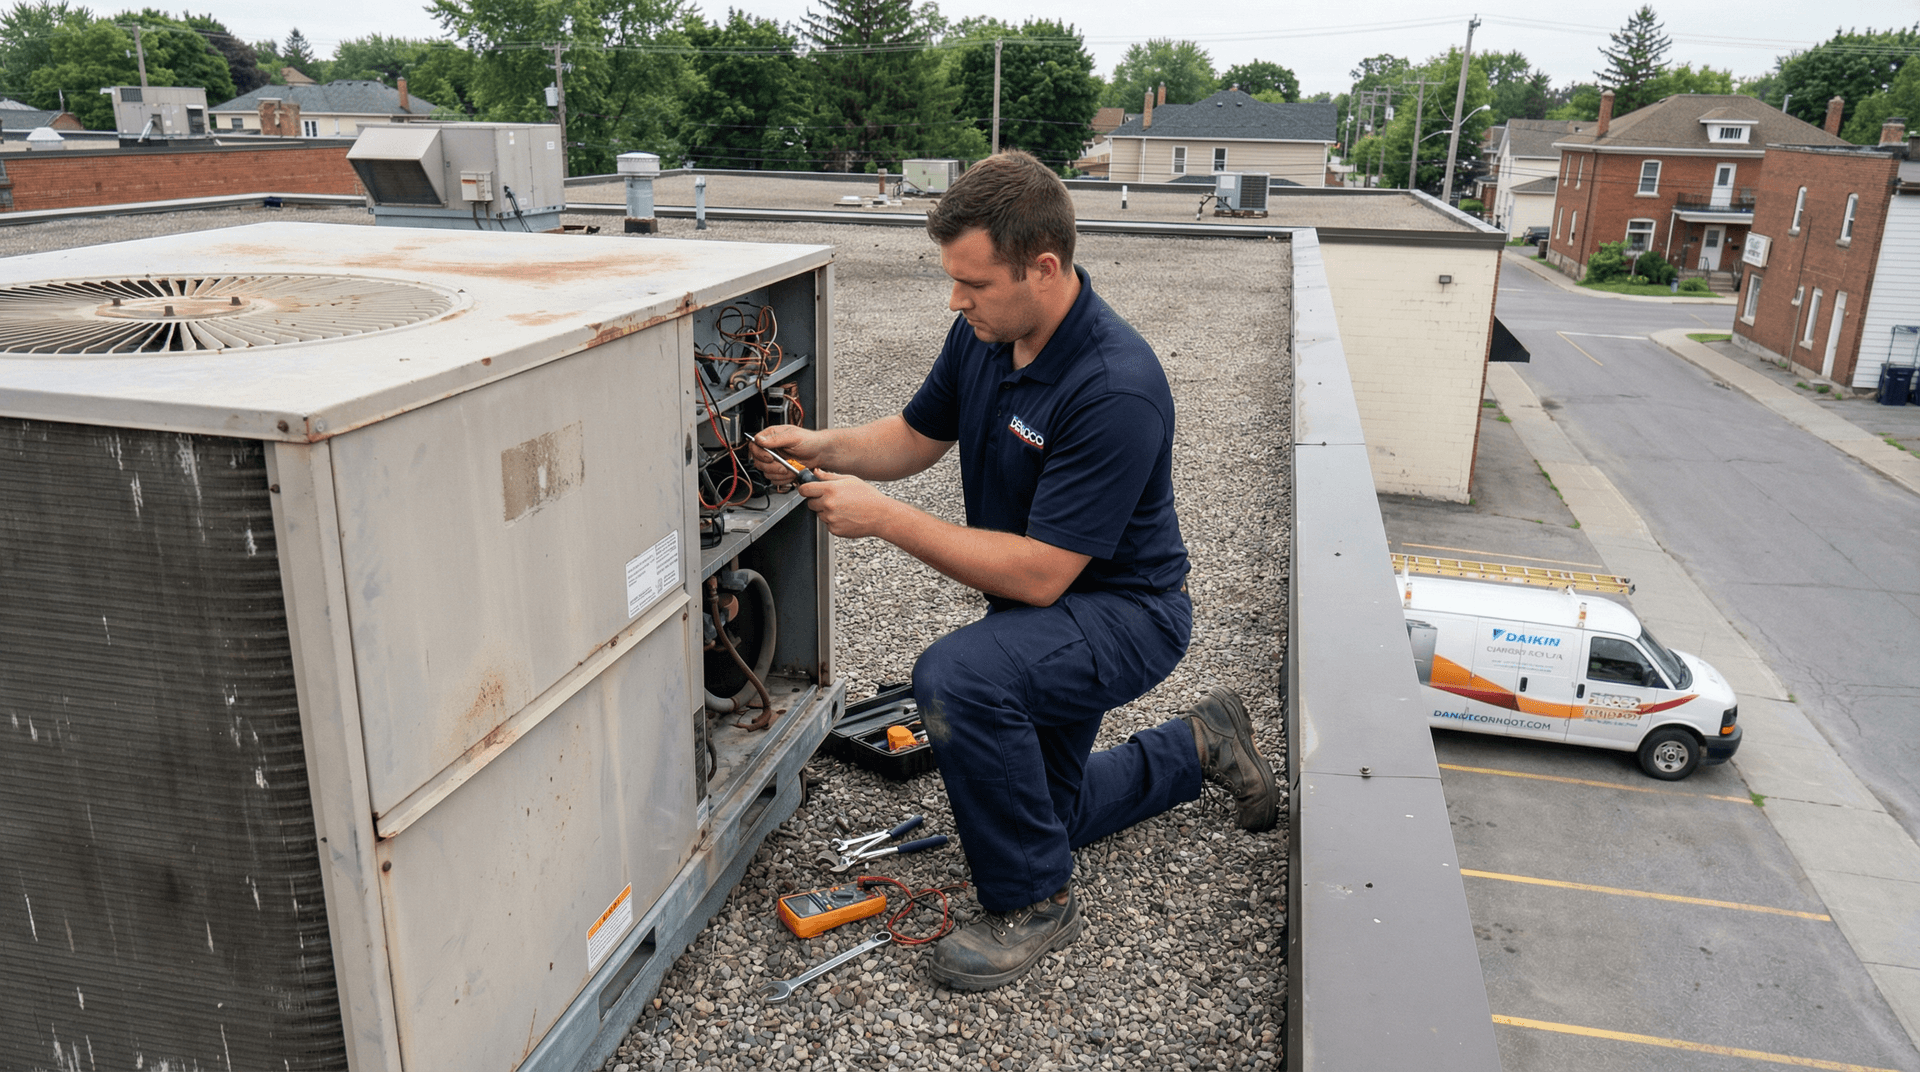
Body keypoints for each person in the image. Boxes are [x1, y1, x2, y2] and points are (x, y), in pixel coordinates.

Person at [750, 150, 1277, 992]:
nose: (955, 301)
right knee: (1043, 813)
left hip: (1124, 614)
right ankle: (1199, 743)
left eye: (974, 283)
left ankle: (1036, 902)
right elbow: (917, 436)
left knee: (957, 679)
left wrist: (884, 519)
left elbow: (1038, 576)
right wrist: (821, 446)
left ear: (1045, 266)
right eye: (952, 280)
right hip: (1045, 615)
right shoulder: (985, 336)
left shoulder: (1115, 386)